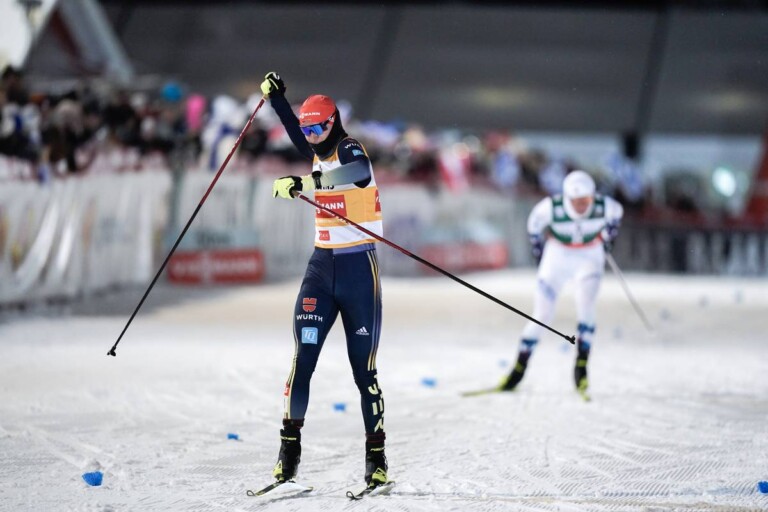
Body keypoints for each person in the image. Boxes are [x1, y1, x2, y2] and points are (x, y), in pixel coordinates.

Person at [259, 72, 389, 489]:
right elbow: (295, 130)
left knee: (362, 370)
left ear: (335, 123)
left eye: (320, 128)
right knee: (303, 362)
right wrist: (278, 99)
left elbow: (358, 171)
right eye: (308, 130)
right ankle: (288, 452)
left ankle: (376, 458)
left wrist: (308, 182)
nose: (313, 137)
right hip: (321, 270)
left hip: (357, 271)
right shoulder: (314, 148)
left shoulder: (349, 147)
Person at [500, 170, 623, 398]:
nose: (580, 207)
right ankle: (519, 368)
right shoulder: (550, 208)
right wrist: (538, 250)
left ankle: (581, 368)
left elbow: (617, 213)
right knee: (542, 314)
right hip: (558, 255)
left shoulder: (604, 206)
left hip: (589, 257)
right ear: (566, 198)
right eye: (576, 201)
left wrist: (609, 236)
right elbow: (533, 225)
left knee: (586, 308)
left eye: (585, 201)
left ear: (593, 197)